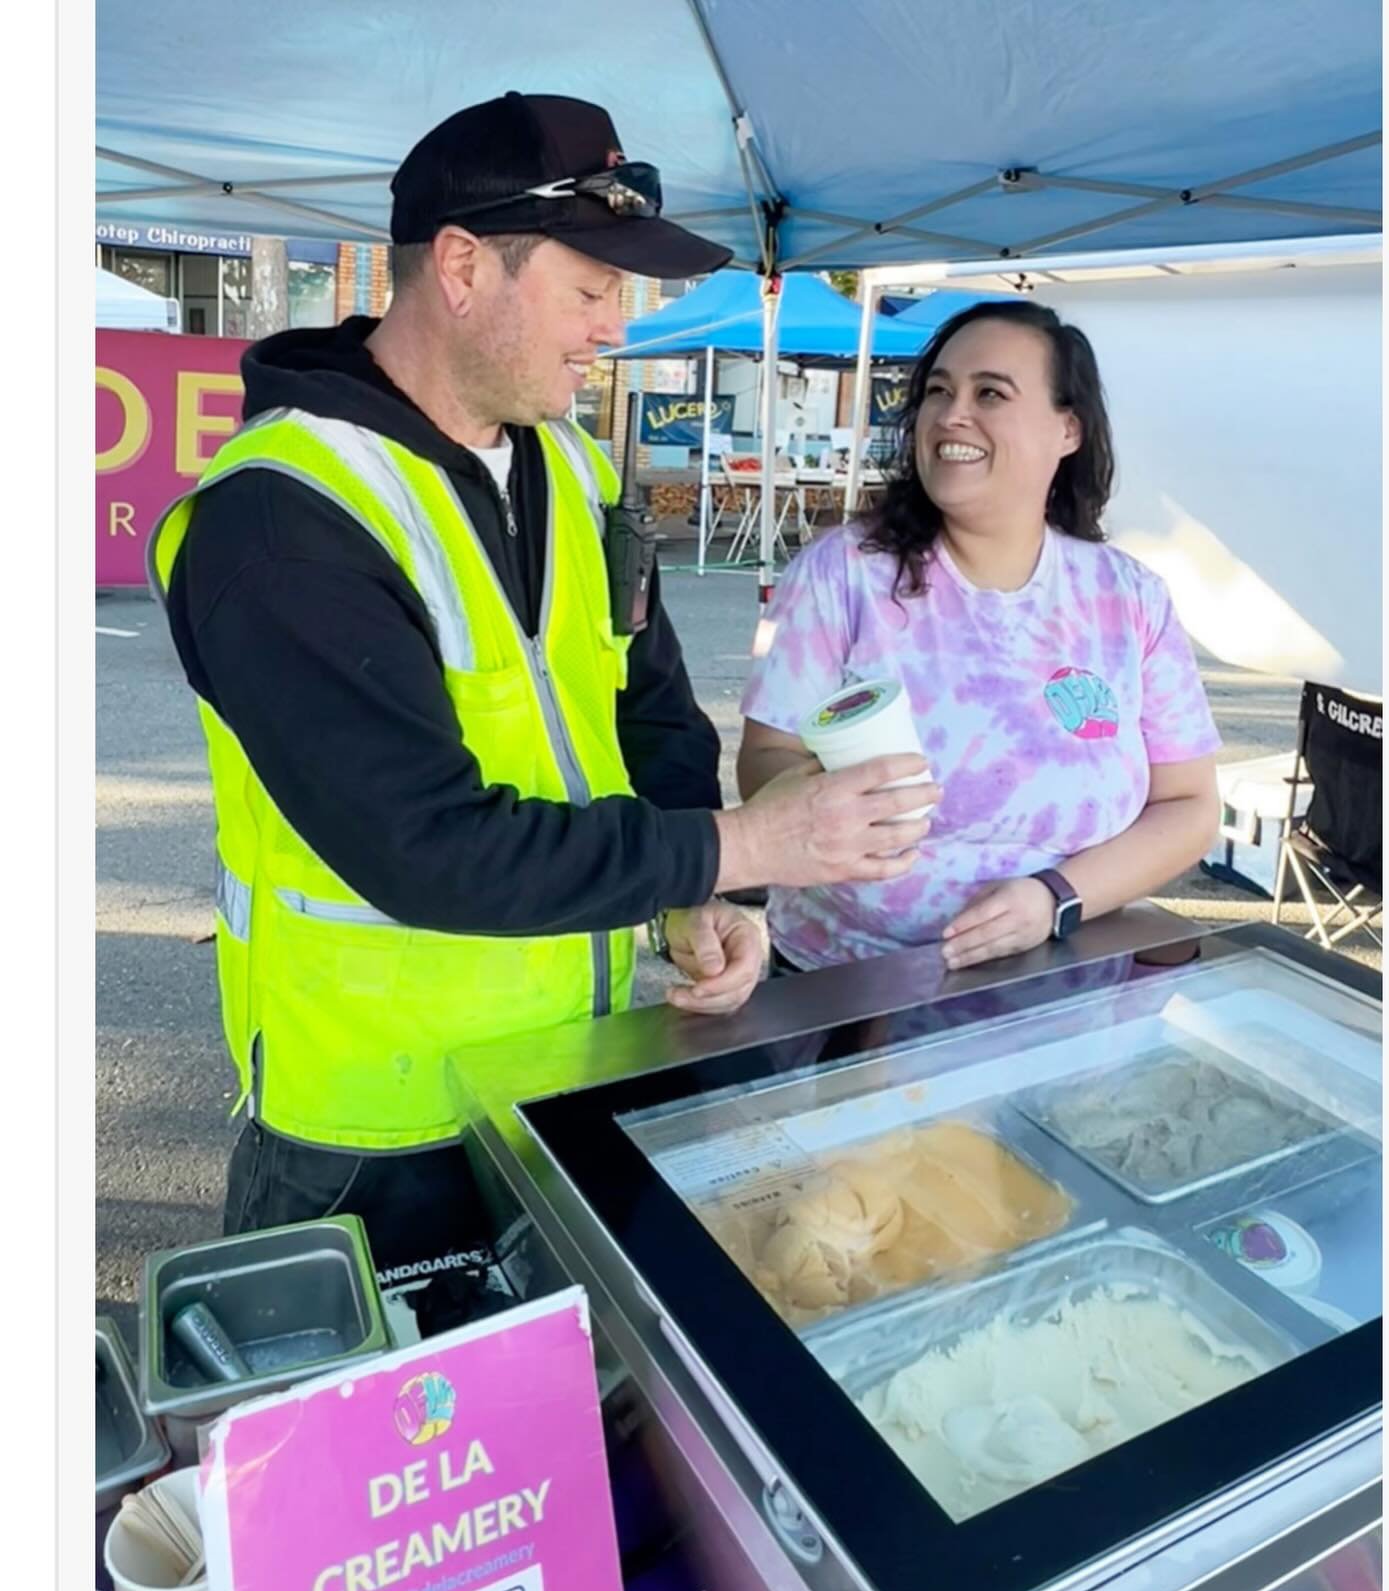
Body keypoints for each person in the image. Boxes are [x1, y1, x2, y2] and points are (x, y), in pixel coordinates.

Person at [148, 92, 939, 1318]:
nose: (611, 330)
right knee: (375, 1492)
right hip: (368, 1133)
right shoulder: (279, 518)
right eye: (588, 290)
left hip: (571, 1078)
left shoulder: (578, 467)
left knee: (574, 1463)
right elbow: (425, 844)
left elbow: (655, 720)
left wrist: (697, 898)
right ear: (461, 266)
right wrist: (753, 843)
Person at [738, 301, 1221, 973]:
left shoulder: (1128, 597)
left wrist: (1055, 899)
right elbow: (766, 757)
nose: (952, 414)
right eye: (938, 391)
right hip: (851, 984)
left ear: (1068, 429)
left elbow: (1190, 806)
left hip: (1066, 977)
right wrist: (827, 805)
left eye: (989, 393)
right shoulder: (839, 574)